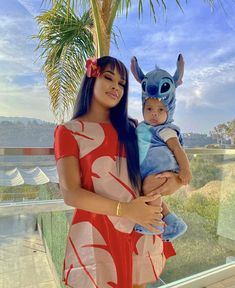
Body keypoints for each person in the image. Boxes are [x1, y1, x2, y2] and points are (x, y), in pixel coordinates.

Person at [54, 56, 182, 288]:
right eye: (108, 77)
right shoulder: (68, 132)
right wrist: (125, 210)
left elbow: (162, 162)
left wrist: (175, 182)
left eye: (122, 83)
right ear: (91, 79)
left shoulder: (134, 128)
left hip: (139, 228)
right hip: (97, 232)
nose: (116, 87)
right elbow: (70, 193)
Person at [131, 54, 191, 240]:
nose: (154, 115)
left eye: (160, 110)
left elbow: (177, 150)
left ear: (169, 110)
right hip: (151, 171)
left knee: (150, 191)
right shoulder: (143, 127)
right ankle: (173, 223)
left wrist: (185, 171)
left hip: (160, 170)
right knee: (153, 194)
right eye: (149, 109)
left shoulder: (165, 130)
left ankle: (153, 224)